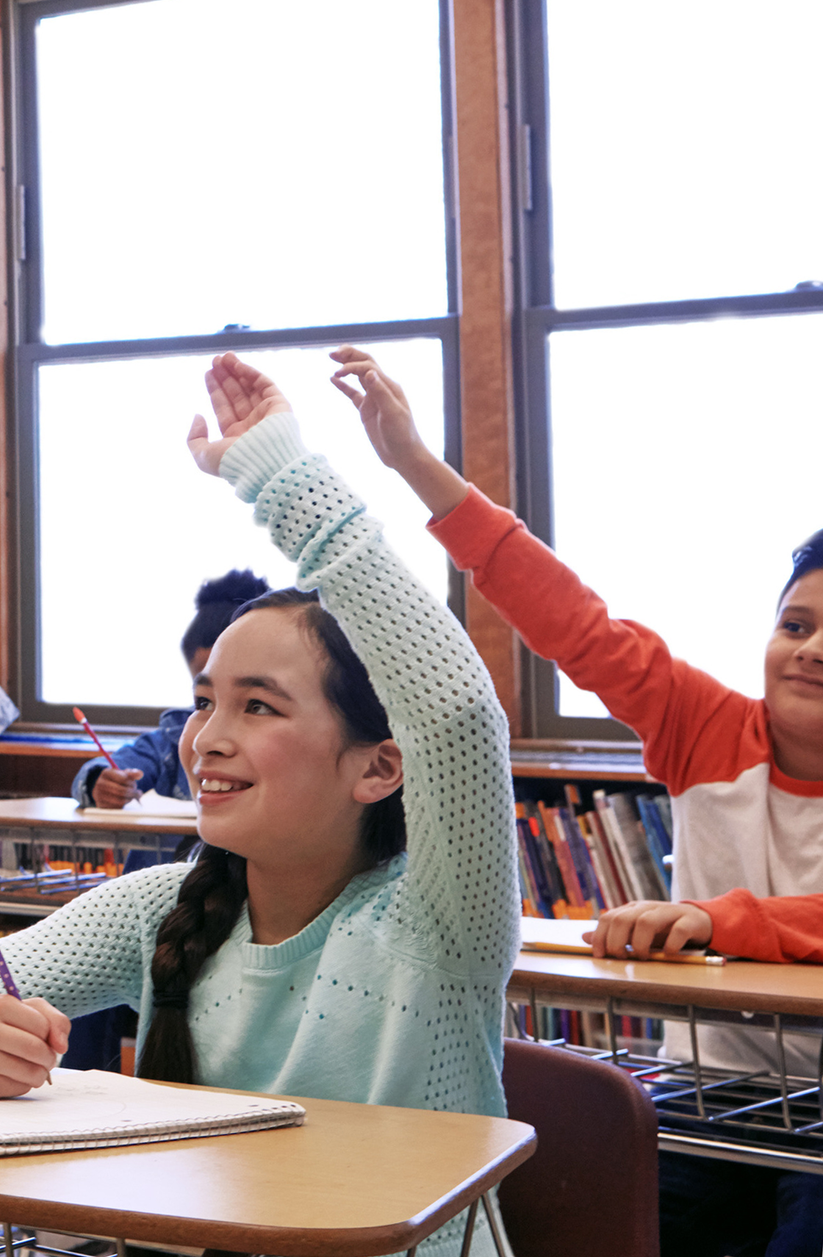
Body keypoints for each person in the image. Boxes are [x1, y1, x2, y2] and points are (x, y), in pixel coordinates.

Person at [0, 354, 519, 1257]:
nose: (205, 736)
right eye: (207, 699)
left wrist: (281, 474)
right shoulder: (165, 905)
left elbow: (453, 707)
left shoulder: (436, 919)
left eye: (259, 704)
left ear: (379, 768)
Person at [331, 342, 823, 1257]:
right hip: (703, 1092)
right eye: (794, 624)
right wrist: (412, 462)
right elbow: (569, 618)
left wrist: (712, 919)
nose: (809, 649)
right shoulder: (704, 724)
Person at [72, 569, 272, 809]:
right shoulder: (173, 738)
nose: (210, 739)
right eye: (204, 702)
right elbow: (109, 769)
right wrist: (102, 782)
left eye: (254, 705)